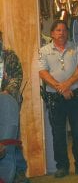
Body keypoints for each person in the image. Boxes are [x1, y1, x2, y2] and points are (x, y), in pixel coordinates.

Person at [38, 20, 78, 178]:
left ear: (67, 32)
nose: (61, 33)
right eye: (58, 30)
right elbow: (43, 73)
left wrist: (67, 85)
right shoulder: (44, 50)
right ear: (52, 33)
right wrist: (60, 88)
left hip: (75, 97)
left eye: (64, 30)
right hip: (55, 98)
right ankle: (62, 166)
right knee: (58, 134)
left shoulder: (76, 48)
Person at [0, 31, 30, 183]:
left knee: (9, 140)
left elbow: (17, 77)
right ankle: (18, 169)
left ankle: (13, 174)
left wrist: (7, 92)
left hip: (7, 102)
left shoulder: (9, 56)